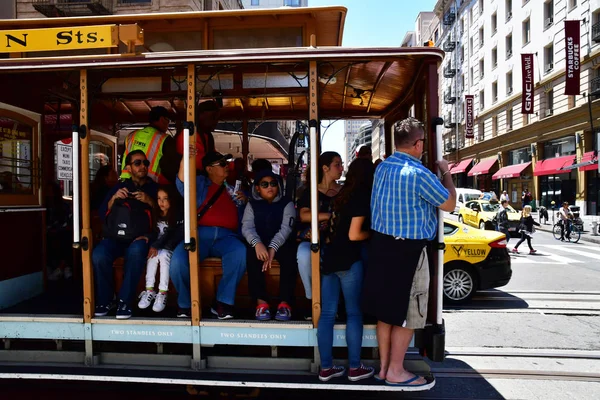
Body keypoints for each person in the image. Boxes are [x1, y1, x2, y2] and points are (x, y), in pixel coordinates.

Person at [363, 117, 455, 388]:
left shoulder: (381, 169)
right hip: (409, 251)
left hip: (380, 246)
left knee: (385, 312)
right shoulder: (419, 174)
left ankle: (383, 368)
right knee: (409, 313)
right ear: (418, 144)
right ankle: (395, 371)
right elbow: (449, 203)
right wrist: (446, 172)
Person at [317, 158, 375, 382]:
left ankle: (326, 368)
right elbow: (353, 235)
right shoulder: (360, 197)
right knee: (353, 313)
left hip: (329, 258)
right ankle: (354, 367)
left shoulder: (340, 194)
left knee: (328, 314)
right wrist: (369, 234)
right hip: (349, 261)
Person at [170, 150, 247, 319]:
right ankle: (185, 304)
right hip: (200, 236)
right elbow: (182, 181)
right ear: (209, 169)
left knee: (240, 252)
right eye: (222, 164)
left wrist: (245, 202)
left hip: (228, 237)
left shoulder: (234, 186)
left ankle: (223, 302)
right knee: (177, 260)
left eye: (226, 163)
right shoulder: (200, 183)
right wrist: (185, 158)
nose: (227, 167)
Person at [94, 150, 158, 319]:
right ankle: (105, 300)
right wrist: (114, 198)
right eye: (138, 163)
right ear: (129, 167)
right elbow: (102, 213)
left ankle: (125, 301)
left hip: (141, 238)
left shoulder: (154, 187)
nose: (143, 166)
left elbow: (168, 215)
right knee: (99, 254)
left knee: (136, 252)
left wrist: (150, 201)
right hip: (116, 237)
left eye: (145, 163)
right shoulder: (119, 186)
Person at [241, 170, 297, 321]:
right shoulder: (252, 204)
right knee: (252, 255)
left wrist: (273, 247)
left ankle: (285, 303)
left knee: (290, 256)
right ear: (257, 188)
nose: (269, 187)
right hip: (260, 242)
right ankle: (261, 303)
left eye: (273, 184)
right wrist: (257, 243)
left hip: (282, 243)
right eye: (264, 184)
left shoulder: (287, 203)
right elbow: (247, 227)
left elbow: (286, 229)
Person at [296, 151, 343, 303]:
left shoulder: (343, 191)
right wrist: (328, 216)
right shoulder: (310, 191)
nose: (341, 168)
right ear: (325, 168)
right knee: (303, 256)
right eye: (337, 165)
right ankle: (312, 298)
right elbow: (304, 215)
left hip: (337, 240)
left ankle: (331, 302)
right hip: (312, 237)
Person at [137, 185, 184, 313]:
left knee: (163, 255)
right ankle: (149, 290)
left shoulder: (177, 215)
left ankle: (162, 292)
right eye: (158, 198)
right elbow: (154, 232)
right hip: (158, 246)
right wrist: (147, 237)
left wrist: (156, 246)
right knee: (152, 257)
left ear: (172, 200)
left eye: (165, 199)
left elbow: (171, 234)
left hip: (169, 246)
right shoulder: (156, 213)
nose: (161, 202)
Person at [120, 106, 180, 184]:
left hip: (125, 185)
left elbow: (123, 158)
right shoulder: (165, 139)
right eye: (168, 121)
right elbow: (171, 168)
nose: (168, 124)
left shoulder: (131, 136)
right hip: (148, 185)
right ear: (162, 119)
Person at [176, 99, 219, 170]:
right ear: (200, 116)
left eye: (217, 118)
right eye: (213, 117)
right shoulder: (189, 134)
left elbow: (214, 157)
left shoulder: (208, 136)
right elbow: (199, 163)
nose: (216, 121)